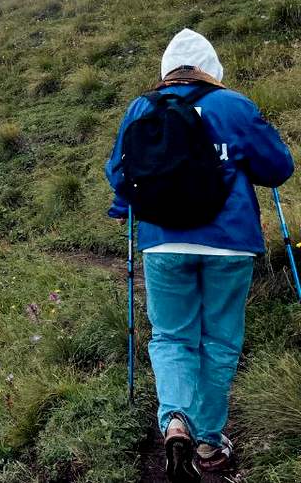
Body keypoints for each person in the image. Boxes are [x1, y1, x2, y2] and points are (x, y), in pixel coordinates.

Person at [105, 28, 293, 479]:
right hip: (230, 244)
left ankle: (174, 420)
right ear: (212, 68)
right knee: (220, 340)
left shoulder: (141, 108)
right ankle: (209, 444)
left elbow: (118, 173)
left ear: (167, 69)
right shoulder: (235, 105)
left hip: (163, 242)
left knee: (172, 337)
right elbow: (278, 168)